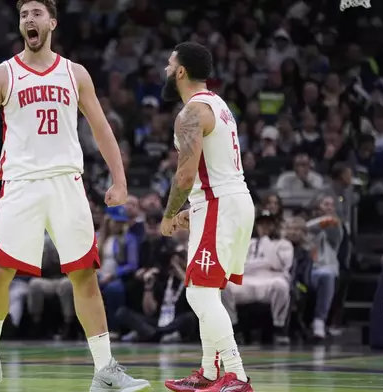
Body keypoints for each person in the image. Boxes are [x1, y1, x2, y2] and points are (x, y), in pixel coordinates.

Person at [0, 1, 150, 392]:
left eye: (37, 13)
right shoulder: (0, 74)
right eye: (24, 15)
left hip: (66, 183)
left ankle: (106, 368)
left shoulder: (75, 73)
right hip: (20, 184)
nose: (30, 20)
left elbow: (101, 127)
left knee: (84, 276)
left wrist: (120, 180)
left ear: (52, 22)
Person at [158, 42, 255, 392]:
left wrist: (169, 215)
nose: (167, 71)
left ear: (180, 71)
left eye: (170, 65)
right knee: (207, 291)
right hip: (228, 201)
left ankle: (236, 374)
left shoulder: (191, 113)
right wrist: (193, 209)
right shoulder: (219, 104)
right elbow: (213, 169)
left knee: (198, 294)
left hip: (220, 205)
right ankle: (210, 372)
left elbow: (184, 175)